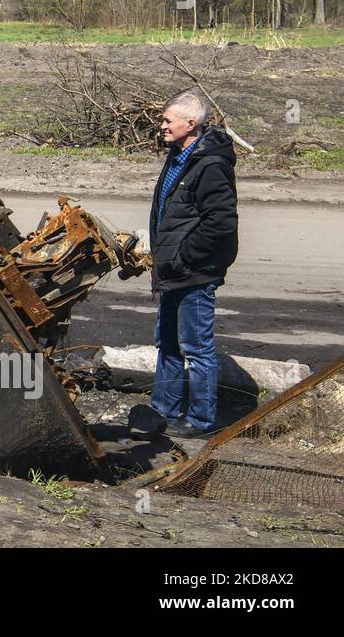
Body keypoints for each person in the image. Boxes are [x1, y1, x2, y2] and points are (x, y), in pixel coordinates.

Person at [148, 89, 238, 439]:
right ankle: (163, 411)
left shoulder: (211, 165)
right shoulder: (178, 156)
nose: (162, 126)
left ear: (190, 123)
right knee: (167, 343)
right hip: (171, 271)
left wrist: (184, 256)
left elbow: (221, 223)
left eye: (167, 120)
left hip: (193, 273)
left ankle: (201, 422)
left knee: (196, 348)